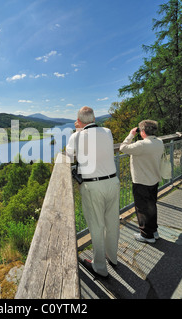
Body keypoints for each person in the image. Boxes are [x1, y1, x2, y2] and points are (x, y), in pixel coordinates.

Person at [66, 106, 120, 279]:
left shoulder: (77, 136)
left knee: (96, 226)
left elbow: (68, 156)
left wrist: (77, 131)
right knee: (112, 223)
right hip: (113, 181)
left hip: (92, 187)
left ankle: (99, 267)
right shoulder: (107, 131)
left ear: (79, 121)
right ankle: (112, 257)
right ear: (94, 119)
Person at [120, 120, 164, 244]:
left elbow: (123, 147)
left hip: (141, 182)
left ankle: (146, 235)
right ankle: (154, 231)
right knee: (151, 207)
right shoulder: (159, 142)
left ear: (143, 131)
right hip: (154, 180)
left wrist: (131, 134)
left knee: (142, 209)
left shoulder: (141, 145)